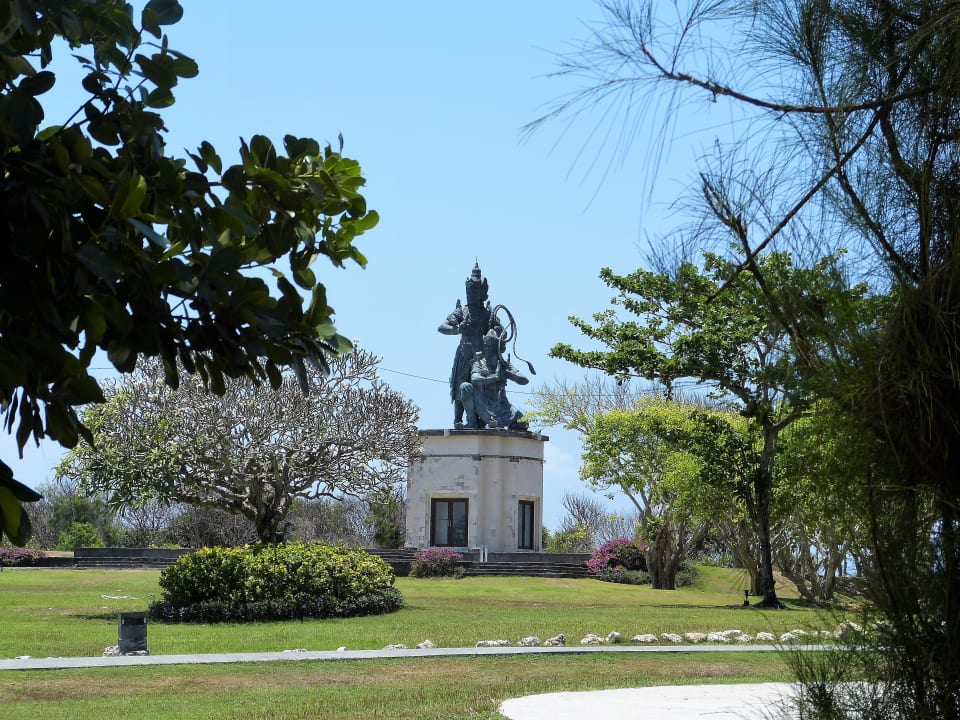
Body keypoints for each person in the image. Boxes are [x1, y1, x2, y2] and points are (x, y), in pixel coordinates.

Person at [438, 263, 503, 426]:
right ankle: (459, 419)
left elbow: (503, 334)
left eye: (474, 292)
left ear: (482, 293)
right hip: (464, 353)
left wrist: (497, 329)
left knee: (482, 387)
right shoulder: (462, 312)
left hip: (482, 357)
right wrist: (457, 329)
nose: (471, 295)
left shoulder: (488, 314)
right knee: (460, 386)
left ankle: (483, 417)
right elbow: (442, 327)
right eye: (469, 292)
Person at [459, 329, 529, 430]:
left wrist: (509, 374)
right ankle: (472, 421)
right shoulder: (479, 362)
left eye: (491, 345)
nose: (487, 347)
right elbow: (475, 379)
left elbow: (524, 380)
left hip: (501, 404)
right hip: (483, 402)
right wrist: (494, 378)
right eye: (486, 344)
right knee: (465, 386)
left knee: (523, 423)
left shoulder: (504, 364)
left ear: (497, 347)